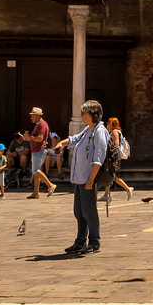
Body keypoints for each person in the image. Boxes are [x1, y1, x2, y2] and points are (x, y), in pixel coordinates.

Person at [52, 99, 109, 254]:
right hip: (79, 178)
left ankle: (94, 242)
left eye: (84, 113)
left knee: (89, 211)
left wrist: (91, 179)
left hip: (87, 179)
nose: (82, 116)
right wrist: (61, 144)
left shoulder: (100, 131)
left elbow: (99, 157)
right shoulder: (87, 130)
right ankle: (80, 241)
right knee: (79, 211)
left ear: (92, 114)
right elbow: (74, 139)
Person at [25, 109, 55, 198]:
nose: (31, 118)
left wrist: (30, 137)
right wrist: (28, 138)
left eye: (32, 115)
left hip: (39, 150)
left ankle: (50, 185)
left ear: (37, 116)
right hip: (37, 150)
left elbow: (40, 138)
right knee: (36, 172)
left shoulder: (42, 125)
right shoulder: (39, 125)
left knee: (36, 171)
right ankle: (36, 193)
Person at [105, 117, 132, 199]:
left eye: (108, 123)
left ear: (112, 124)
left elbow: (116, 145)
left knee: (112, 176)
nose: (107, 125)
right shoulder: (113, 132)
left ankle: (127, 189)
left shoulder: (114, 132)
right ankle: (106, 195)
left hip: (113, 158)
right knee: (110, 175)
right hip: (113, 157)